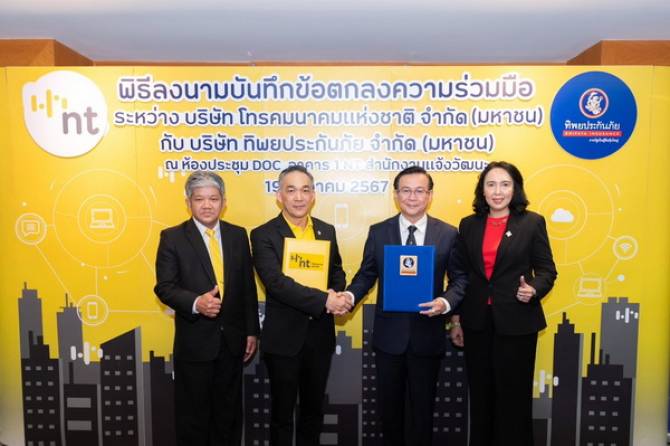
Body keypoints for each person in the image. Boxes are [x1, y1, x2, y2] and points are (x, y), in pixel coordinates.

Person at [343, 165, 467, 446]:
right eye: (406, 191)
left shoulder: (448, 234)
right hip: (389, 339)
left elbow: (460, 279)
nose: (412, 197)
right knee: (390, 414)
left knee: (423, 413)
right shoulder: (379, 232)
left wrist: (445, 302)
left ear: (430, 195)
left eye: (419, 191)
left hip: (427, 335)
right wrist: (348, 297)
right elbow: (366, 275)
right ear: (396, 195)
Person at [449, 161, 557, 446]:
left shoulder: (532, 222)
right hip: (476, 323)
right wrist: (456, 321)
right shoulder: (468, 225)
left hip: (517, 323)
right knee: (481, 397)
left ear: (515, 188)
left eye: (505, 184)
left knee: (514, 399)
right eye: (491, 184)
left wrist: (533, 289)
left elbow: (547, 271)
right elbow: (461, 274)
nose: (498, 192)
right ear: (482, 190)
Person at [154, 171, 260, 446]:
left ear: (224, 202)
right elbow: (164, 287)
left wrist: (251, 330)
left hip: (232, 342)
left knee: (228, 417)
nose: (207, 205)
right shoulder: (172, 237)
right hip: (195, 343)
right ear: (188, 202)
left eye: (213, 198)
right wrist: (196, 303)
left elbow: (247, 287)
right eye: (199, 199)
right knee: (193, 419)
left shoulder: (238, 235)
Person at [250, 165, 349, 446]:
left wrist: (337, 293)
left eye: (305, 190)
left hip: (319, 336)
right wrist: (324, 300)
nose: (298, 197)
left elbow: (336, 271)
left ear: (313, 195)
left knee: (313, 412)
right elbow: (276, 283)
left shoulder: (326, 230)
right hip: (284, 339)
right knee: (282, 415)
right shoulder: (263, 234)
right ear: (279, 195)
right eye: (291, 190)